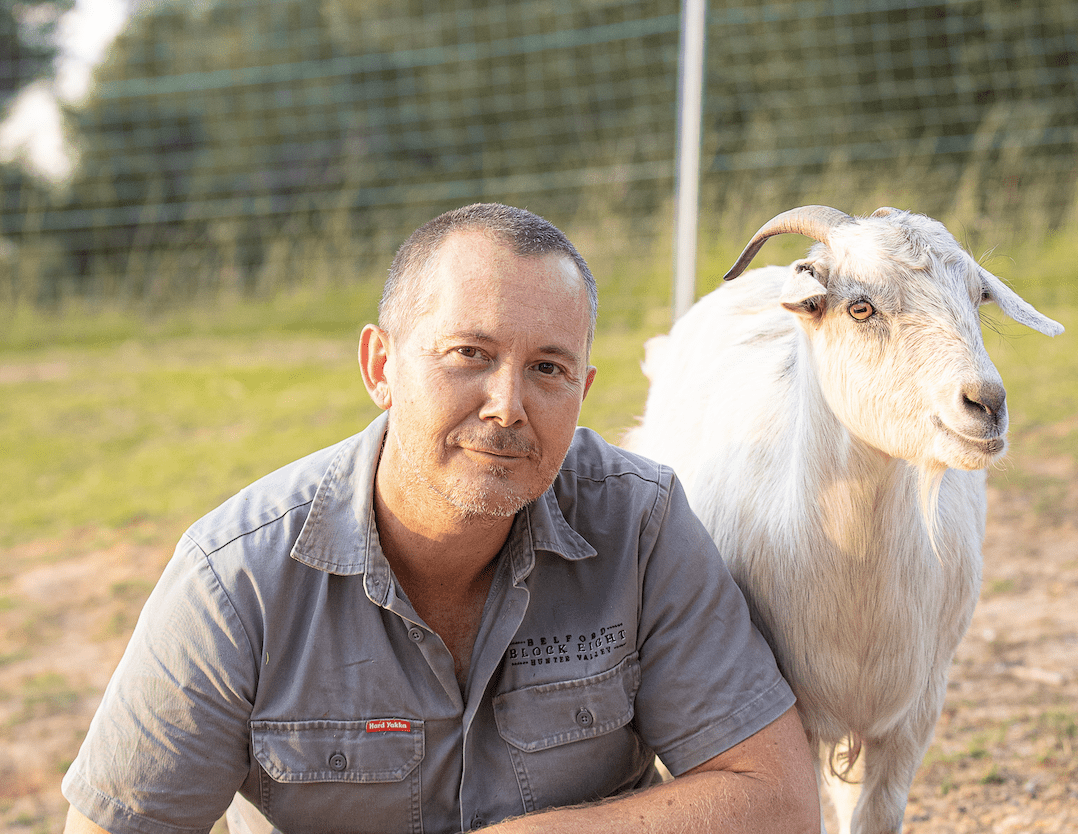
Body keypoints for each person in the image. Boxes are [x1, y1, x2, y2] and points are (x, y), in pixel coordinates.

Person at [62, 203, 819, 834]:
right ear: (380, 366)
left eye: (548, 369)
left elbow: (780, 800)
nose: (507, 406)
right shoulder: (236, 580)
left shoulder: (641, 528)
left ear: (583, 389)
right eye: (468, 353)